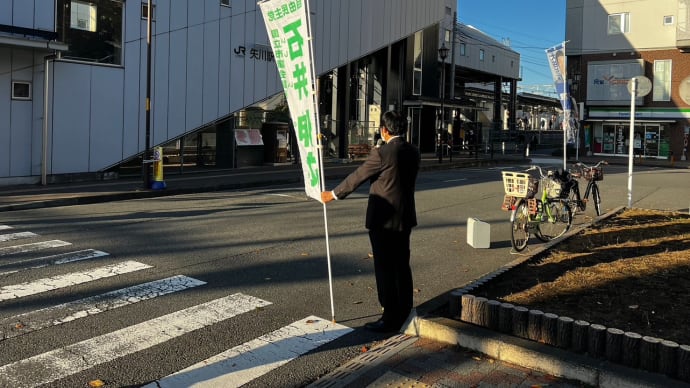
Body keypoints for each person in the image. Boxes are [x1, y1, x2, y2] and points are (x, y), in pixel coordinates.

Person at [321, 110, 421, 333]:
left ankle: (389, 316)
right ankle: (404, 308)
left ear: (384, 130)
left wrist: (333, 194)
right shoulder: (413, 151)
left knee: (384, 266)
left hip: (383, 220)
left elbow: (358, 176)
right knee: (402, 264)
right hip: (404, 217)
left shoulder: (382, 154)